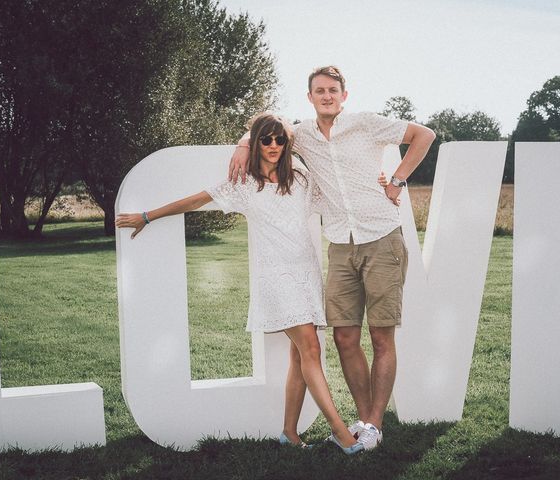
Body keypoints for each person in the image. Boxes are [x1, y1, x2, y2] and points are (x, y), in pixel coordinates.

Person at [116, 113, 370, 455]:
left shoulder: (300, 178)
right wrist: (148, 216)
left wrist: (380, 184)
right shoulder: (244, 185)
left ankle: (289, 435)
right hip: (276, 279)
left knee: (299, 357)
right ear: (255, 144)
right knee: (311, 350)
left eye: (280, 140)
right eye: (266, 140)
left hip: (307, 274)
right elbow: (196, 200)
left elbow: (336, 197)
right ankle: (341, 433)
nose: (274, 146)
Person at [229, 66, 436, 450]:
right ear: (309, 98)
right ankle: (363, 420)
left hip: (381, 237)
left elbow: (424, 135)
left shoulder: (366, 124)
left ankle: (375, 422)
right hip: (340, 245)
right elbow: (265, 128)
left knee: (381, 335)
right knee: (343, 336)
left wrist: (397, 180)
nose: (326, 96)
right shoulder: (302, 134)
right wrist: (244, 144)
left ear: (344, 94)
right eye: (319, 91)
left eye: (333, 90)